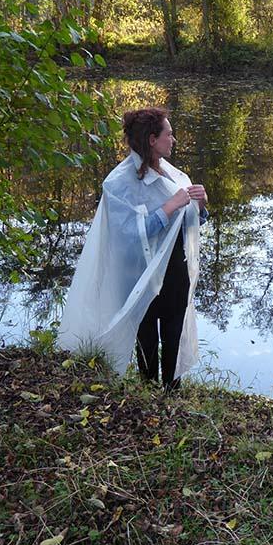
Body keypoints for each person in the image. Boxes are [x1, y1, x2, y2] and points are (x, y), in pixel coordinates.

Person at [57, 107, 208, 392]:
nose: (173, 140)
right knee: (146, 335)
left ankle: (172, 392)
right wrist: (168, 207)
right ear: (152, 139)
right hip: (139, 273)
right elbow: (126, 234)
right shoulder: (119, 183)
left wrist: (200, 207)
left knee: (174, 332)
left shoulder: (174, 175)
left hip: (174, 269)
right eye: (169, 134)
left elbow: (187, 223)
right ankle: (148, 390)